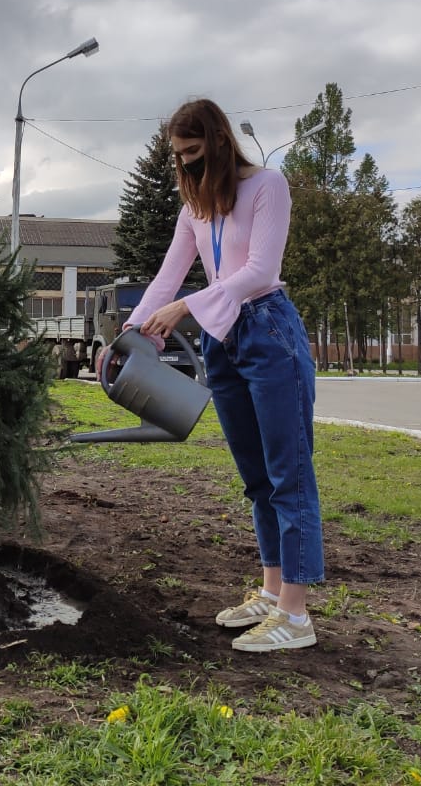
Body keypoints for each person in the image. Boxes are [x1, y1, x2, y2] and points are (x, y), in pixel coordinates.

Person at [122, 98, 324, 652]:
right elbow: (167, 276)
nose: (184, 165)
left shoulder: (267, 186)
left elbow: (260, 270)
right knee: (256, 476)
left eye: (191, 153)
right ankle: (271, 591)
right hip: (222, 338)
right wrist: (128, 333)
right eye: (177, 156)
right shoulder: (196, 207)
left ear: (215, 141)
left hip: (267, 331)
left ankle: (296, 617)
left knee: (290, 473)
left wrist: (186, 307)